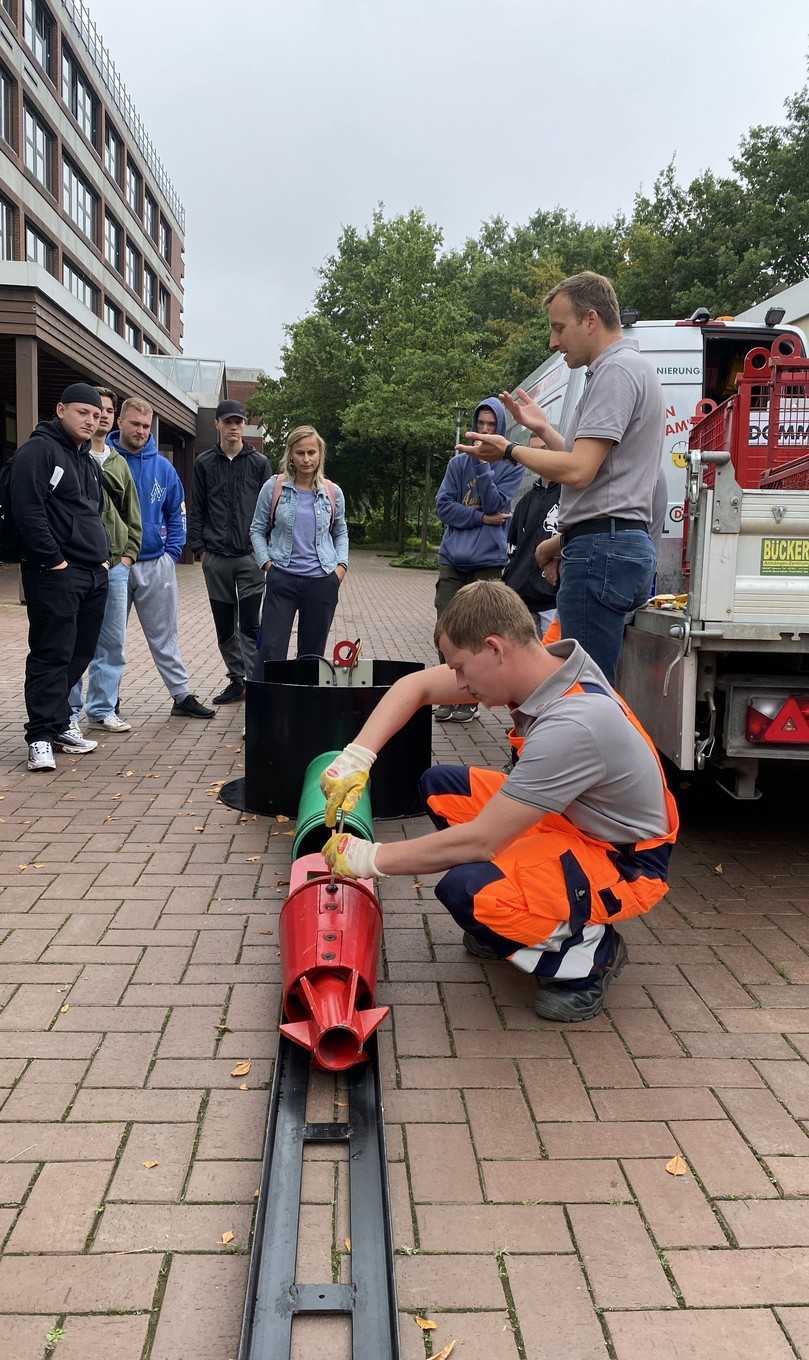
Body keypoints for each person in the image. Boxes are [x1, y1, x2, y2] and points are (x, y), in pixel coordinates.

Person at [318, 581, 678, 1023]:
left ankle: (590, 956)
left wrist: (368, 858)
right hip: (572, 822)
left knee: (467, 887)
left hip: (623, 861)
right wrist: (358, 757)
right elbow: (414, 687)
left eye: (462, 669)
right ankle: (525, 916)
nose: (461, 684)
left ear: (494, 647)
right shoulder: (544, 664)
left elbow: (480, 842)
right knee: (441, 785)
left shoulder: (574, 725)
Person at [457, 273, 665, 685]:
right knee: (595, 687)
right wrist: (546, 430)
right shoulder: (628, 368)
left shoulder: (616, 372)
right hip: (614, 545)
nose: (553, 341)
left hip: (602, 550)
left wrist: (509, 449)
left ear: (590, 320)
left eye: (558, 327)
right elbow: (594, 465)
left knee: (584, 692)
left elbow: (580, 471)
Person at [11, 383, 110, 771]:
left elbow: (92, 513)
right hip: (55, 574)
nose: (91, 419)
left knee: (78, 652)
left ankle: (56, 724)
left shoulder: (85, 460)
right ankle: (39, 737)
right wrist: (55, 562)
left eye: (96, 414)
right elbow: (28, 511)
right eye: (82, 412)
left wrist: (101, 564)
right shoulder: (39, 451)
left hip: (92, 573)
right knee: (51, 654)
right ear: (61, 409)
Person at [108, 398, 214, 719]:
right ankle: (107, 700)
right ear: (120, 423)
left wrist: (171, 554)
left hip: (155, 563)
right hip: (113, 565)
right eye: (134, 424)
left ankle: (181, 696)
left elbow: (176, 513)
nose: (140, 430)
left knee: (165, 635)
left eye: (145, 425)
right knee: (110, 638)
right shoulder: (105, 461)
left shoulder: (164, 468)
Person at [434, 397, 524, 722]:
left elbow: (496, 504)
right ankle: (451, 693)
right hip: (454, 558)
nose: (484, 432)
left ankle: (471, 698)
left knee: (480, 633)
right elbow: (443, 506)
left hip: (487, 560)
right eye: (480, 425)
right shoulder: (457, 464)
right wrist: (480, 519)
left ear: (500, 428)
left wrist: (484, 466)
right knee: (446, 625)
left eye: (491, 426)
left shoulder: (512, 466)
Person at [68, 388, 142, 733]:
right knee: (72, 639)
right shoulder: (72, 456)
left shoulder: (118, 462)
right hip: (77, 565)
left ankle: (102, 708)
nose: (102, 416)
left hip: (114, 565)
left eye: (108, 411)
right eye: (96, 411)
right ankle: (68, 709)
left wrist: (128, 556)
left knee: (111, 642)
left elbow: (132, 515)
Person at [189, 399, 271, 703]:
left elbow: (270, 511)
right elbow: (196, 507)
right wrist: (200, 549)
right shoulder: (204, 463)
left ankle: (256, 680)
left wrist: (265, 552)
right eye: (228, 422)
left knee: (250, 624)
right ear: (218, 425)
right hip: (216, 558)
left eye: (239, 422)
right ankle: (237, 679)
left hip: (250, 558)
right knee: (224, 625)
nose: (234, 427)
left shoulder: (259, 463)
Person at [250, 425, 348, 668]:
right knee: (271, 649)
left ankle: (304, 703)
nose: (306, 459)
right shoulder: (274, 488)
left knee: (312, 653)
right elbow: (257, 529)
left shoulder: (332, 492)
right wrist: (267, 564)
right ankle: (270, 703)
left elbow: (341, 531)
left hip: (322, 580)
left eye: (312, 453)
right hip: (282, 577)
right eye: (300, 453)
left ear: (320, 454)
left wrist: (341, 567)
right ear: (291, 455)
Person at [502, 435, 560, 639]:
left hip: (553, 601)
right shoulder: (526, 500)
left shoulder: (571, 495)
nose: (540, 455)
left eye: (545, 448)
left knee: (553, 661)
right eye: (534, 450)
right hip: (523, 600)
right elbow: (513, 550)